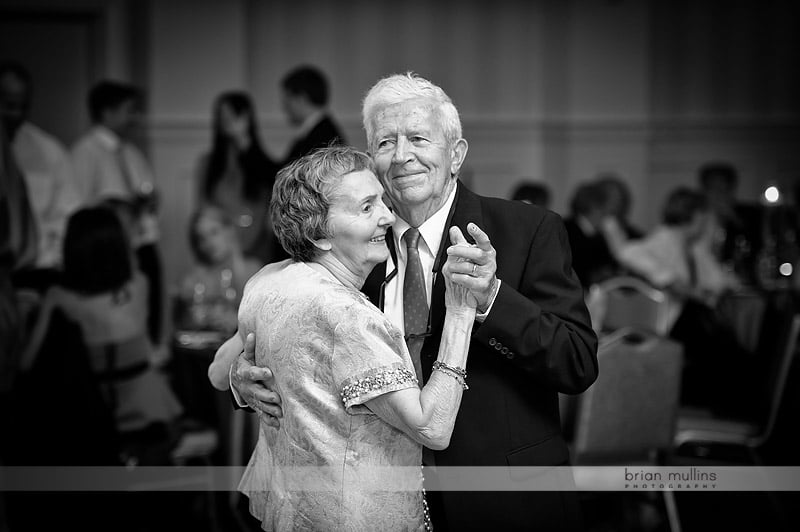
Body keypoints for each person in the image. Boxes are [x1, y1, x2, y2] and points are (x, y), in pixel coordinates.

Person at [217, 72, 598, 531]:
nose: (402, 156)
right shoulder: (352, 243)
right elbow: (266, 336)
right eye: (384, 143)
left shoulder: (527, 229)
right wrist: (245, 378)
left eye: (418, 138)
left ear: (455, 154)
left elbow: (577, 362)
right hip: (380, 501)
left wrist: (492, 299)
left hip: (504, 494)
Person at [233, 145, 476, 530]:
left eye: (381, 200)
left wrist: (239, 376)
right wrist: (461, 313)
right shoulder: (347, 316)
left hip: (287, 508)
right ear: (320, 234)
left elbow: (232, 362)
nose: (387, 215)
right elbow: (432, 428)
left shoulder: (267, 278)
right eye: (367, 208)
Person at [20, 206, 183, 436]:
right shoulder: (139, 284)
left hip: (89, 419)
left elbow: (27, 363)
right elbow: (148, 349)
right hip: (150, 413)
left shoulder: (58, 298)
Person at [71, 80, 165, 345]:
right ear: (106, 112)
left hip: (142, 241)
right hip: (110, 249)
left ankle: (151, 351)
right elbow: (78, 209)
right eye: (129, 110)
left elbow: (147, 189)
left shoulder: (131, 152)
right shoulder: (84, 153)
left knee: (151, 307)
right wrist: (114, 206)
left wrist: (149, 199)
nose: (135, 117)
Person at [0, 61, 79, 280]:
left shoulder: (49, 150)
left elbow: (69, 211)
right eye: (9, 104)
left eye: (23, 106)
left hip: (39, 268)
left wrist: (52, 257)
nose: (16, 113)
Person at [197, 91, 280, 264]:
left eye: (233, 114)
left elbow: (269, 199)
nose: (227, 120)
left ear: (246, 117)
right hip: (219, 244)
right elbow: (203, 207)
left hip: (255, 245)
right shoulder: (209, 164)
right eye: (222, 116)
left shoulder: (259, 162)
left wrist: (244, 140)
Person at [178, 205, 261, 332]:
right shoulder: (193, 279)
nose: (209, 243)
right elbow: (183, 327)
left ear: (230, 230)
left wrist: (237, 322)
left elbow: (267, 323)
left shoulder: (254, 271)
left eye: (214, 232)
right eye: (202, 238)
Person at [280, 65, 346, 164]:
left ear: (301, 98)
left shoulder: (322, 137)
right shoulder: (320, 130)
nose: (285, 107)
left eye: (288, 100)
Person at [564, 181, 621, 289]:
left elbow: (611, 264)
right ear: (595, 207)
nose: (609, 212)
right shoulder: (565, 229)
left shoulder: (599, 235)